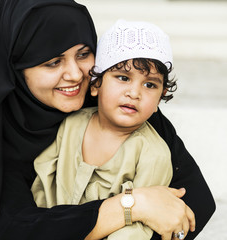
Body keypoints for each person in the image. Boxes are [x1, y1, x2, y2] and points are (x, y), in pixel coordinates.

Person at [0, 0, 215, 240]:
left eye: (83, 54)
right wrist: (131, 205)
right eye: (53, 62)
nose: (76, 75)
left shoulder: (116, 101)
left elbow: (195, 203)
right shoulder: (1, 130)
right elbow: (17, 228)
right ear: (17, 67)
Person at [31, 20, 177, 240]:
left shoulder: (152, 154)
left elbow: (138, 228)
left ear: (160, 98)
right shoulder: (71, 125)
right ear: (96, 84)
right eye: (123, 78)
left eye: (150, 85)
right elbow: (42, 183)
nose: (134, 93)